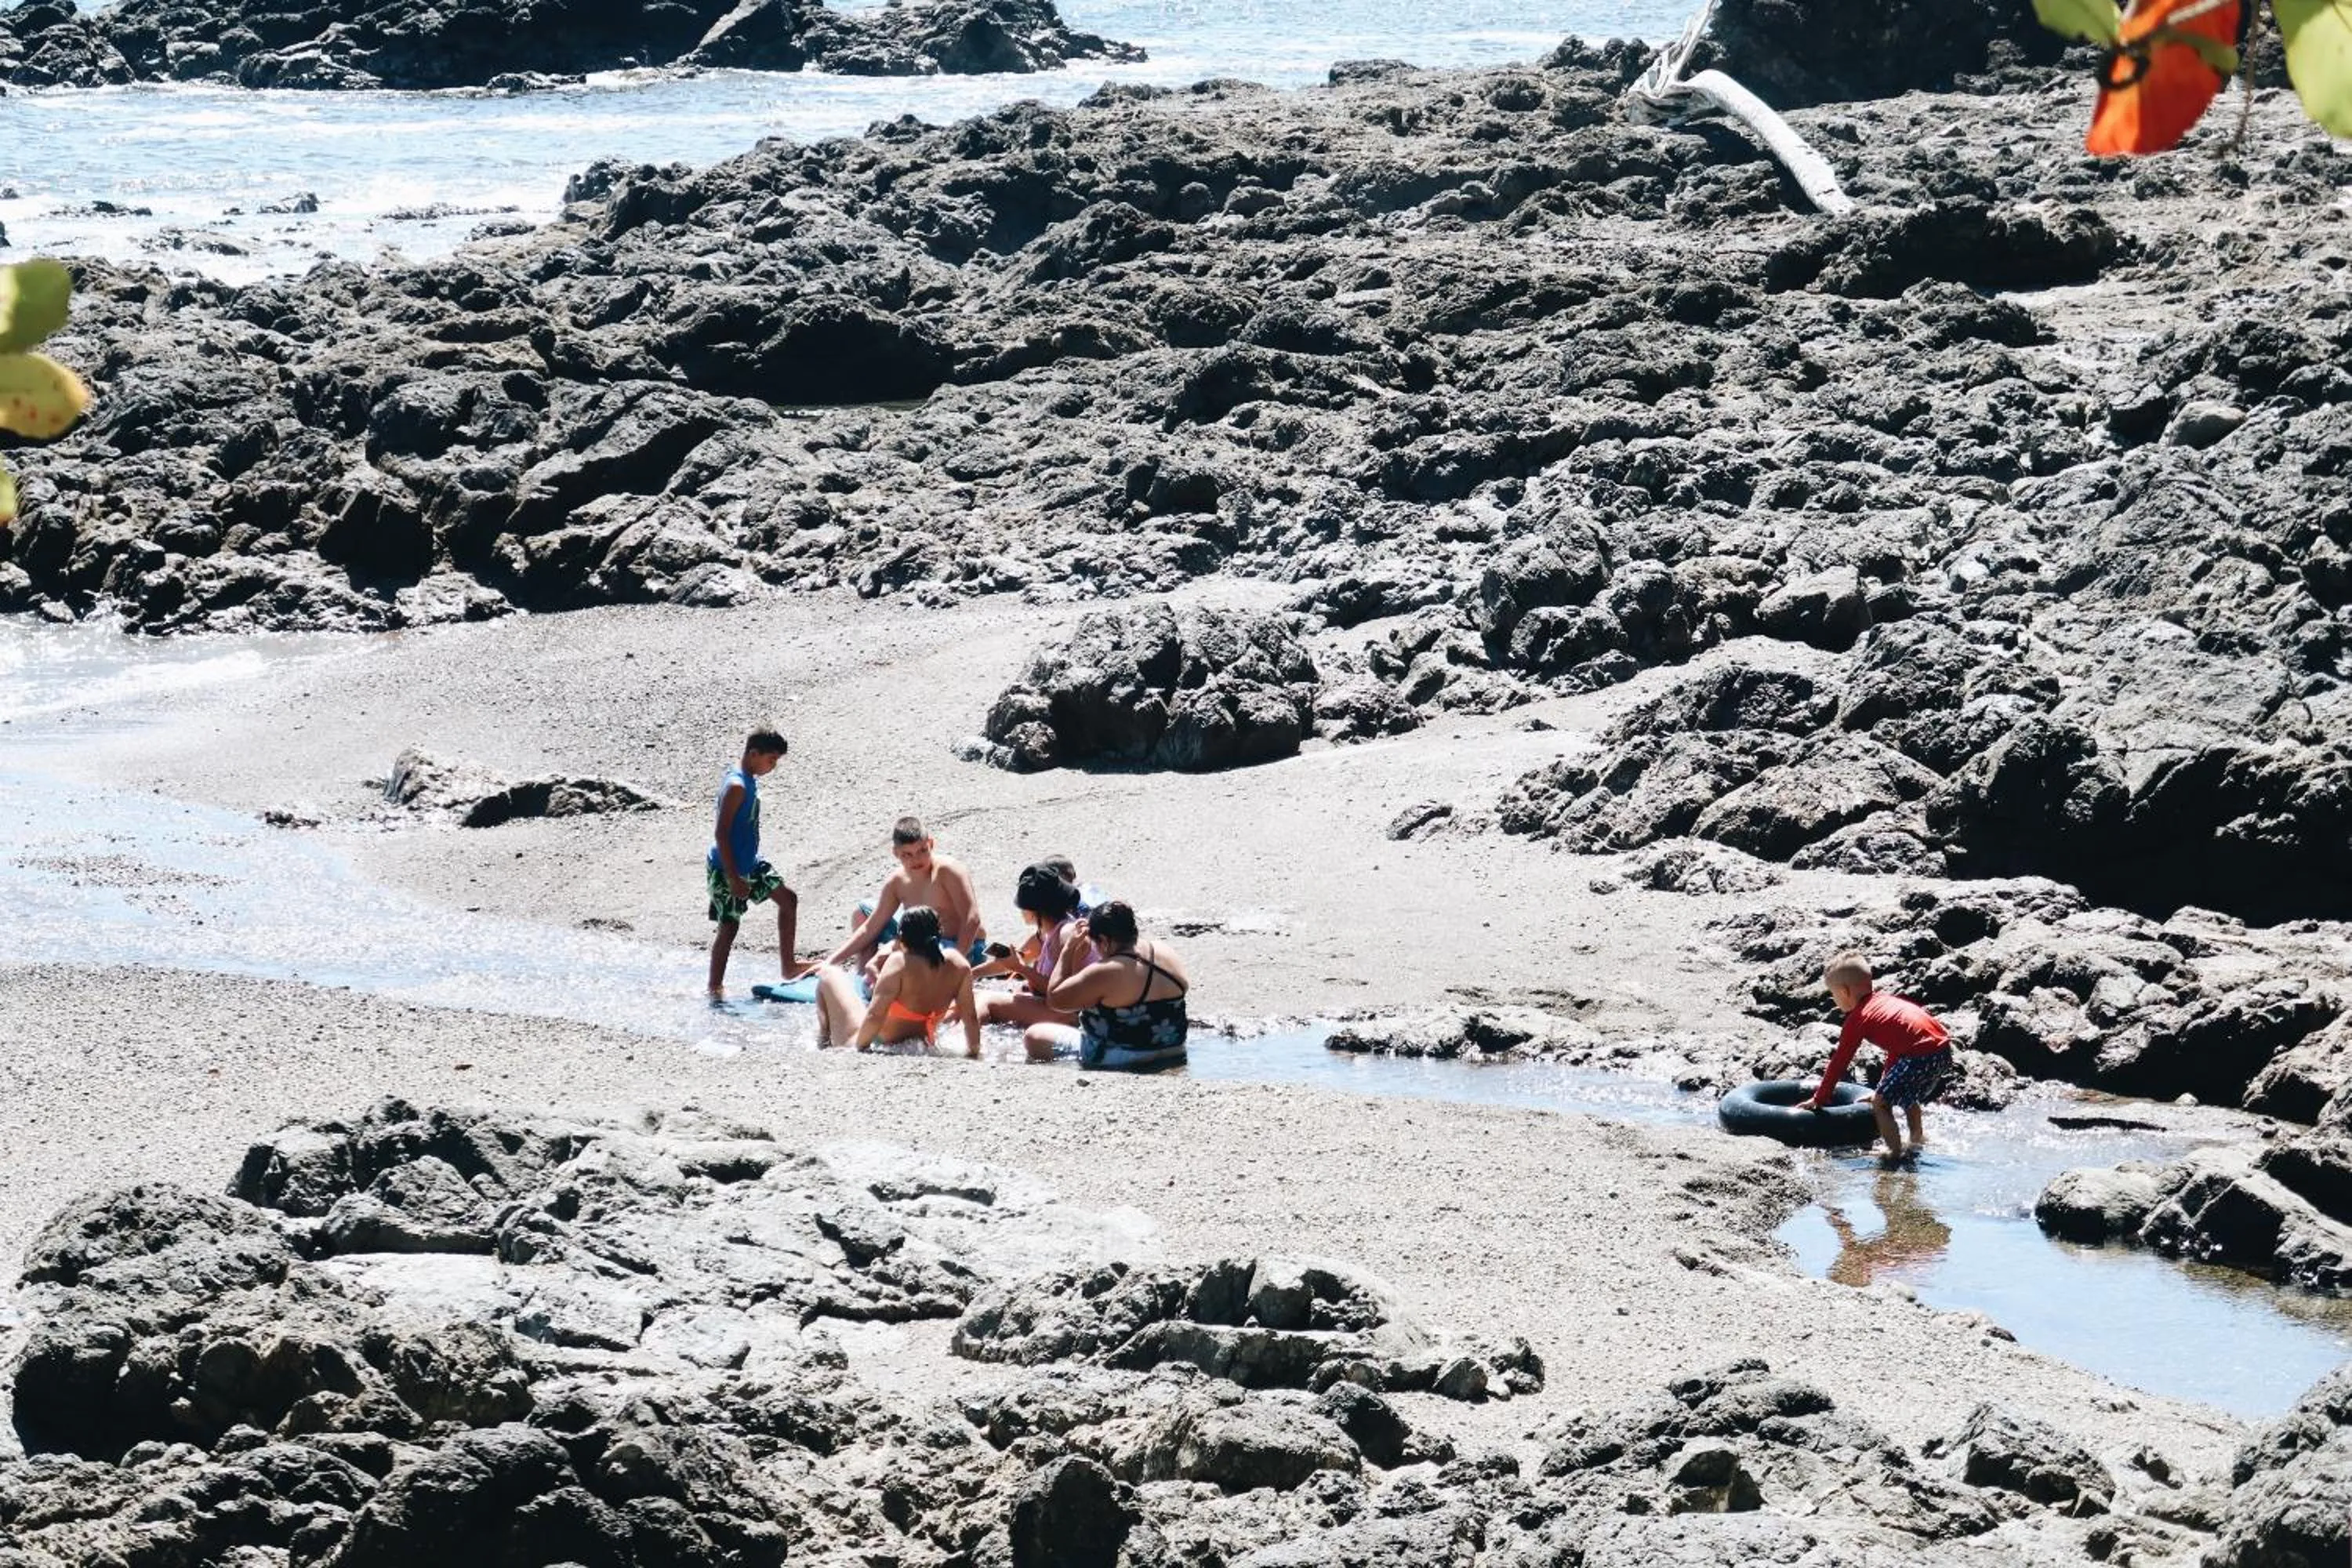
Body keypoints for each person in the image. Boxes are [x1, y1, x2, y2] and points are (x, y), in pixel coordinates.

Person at [1807, 952, 1954, 1163]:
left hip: (1920, 1055)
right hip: (1942, 1049)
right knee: (1907, 1094)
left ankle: (1894, 1152)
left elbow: (1840, 1062)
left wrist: (1819, 1099)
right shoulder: (1884, 1002)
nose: (1834, 1000)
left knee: (1881, 1104)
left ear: (1845, 991)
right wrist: (1884, 1084)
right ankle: (1917, 1139)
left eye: (1833, 994)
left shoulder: (1858, 1018)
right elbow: (1898, 1047)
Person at [706, 728, 812, 998]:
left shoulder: (749, 780)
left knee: (788, 900)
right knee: (729, 926)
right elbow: (721, 833)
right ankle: (714, 988)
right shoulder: (737, 786)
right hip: (727, 869)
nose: (773, 767)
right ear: (754, 754)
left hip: (751, 863)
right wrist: (732, 876)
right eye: (771, 760)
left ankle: (789, 967)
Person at [814, 906, 980, 1057]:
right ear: (939, 933)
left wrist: (859, 1049)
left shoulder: (900, 962)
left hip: (879, 1042)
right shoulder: (959, 965)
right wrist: (973, 1051)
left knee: (829, 974)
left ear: (902, 938)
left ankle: (822, 1041)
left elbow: (875, 1015)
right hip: (923, 1042)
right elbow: (970, 1017)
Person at [831, 816, 987, 975]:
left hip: (962, 946)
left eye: (922, 850)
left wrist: (957, 963)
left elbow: (972, 919)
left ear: (931, 844)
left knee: (908, 958)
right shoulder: (897, 881)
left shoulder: (948, 871)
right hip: (921, 942)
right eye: (907, 855)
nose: (917, 859)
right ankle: (864, 978)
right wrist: (830, 962)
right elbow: (872, 927)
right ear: (896, 853)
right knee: (861, 913)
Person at [1044, 901, 1190, 1069]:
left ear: (1105, 941)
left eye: (1096, 944)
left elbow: (1055, 999)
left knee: (1035, 1036)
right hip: (1175, 1049)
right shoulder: (1165, 950)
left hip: (1126, 1055)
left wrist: (1068, 949)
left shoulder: (1109, 971)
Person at [974, 863, 1090, 1032]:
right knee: (975, 995)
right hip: (1062, 1009)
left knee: (986, 1000)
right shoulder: (1048, 932)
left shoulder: (1066, 935)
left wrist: (1021, 969)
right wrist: (971, 974)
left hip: (1071, 1014)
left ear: (1033, 911)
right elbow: (1014, 960)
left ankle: (963, 1042)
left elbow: (1061, 994)